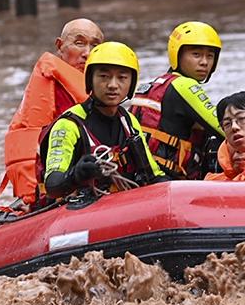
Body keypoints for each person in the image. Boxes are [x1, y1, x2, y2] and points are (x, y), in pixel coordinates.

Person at [0, 18, 105, 210]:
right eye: (79, 43)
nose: (87, 53)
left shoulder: (105, 88)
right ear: (60, 46)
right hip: (55, 185)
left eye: (95, 45)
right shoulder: (50, 87)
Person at [40, 41, 167, 198]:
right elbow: (53, 185)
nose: (113, 85)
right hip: (80, 211)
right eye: (104, 76)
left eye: (122, 77)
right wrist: (76, 175)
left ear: (131, 83)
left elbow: (153, 174)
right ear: (90, 80)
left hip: (124, 205)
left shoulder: (129, 121)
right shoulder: (68, 125)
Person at [130, 21, 225, 179]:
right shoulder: (184, 85)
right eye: (196, 55)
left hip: (141, 176)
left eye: (210, 56)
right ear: (177, 55)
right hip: (170, 181)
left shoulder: (154, 85)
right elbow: (224, 128)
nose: (204, 62)